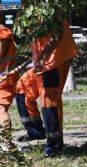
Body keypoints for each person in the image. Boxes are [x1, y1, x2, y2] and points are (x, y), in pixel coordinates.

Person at [31, 17, 79, 156]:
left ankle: (55, 145)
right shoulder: (32, 10)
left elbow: (57, 35)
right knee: (26, 91)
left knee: (50, 102)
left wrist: (42, 56)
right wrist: (37, 59)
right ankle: (38, 134)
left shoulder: (50, 8)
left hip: (54, 62)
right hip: (44, 64)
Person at [14, 68, 46, 141]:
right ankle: (36, 131)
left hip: (23, 89)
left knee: (27, 107)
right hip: (22, 89)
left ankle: (35, 132)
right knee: (28, 108)